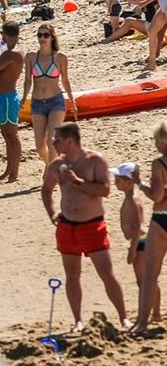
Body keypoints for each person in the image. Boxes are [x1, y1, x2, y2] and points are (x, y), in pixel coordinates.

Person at [40, 123, 128, 331]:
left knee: (106, 273)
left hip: (92, 224)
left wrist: (77, 181)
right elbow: (46, 191)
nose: (53, 143)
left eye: (57, 139)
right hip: (67, 226)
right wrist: (52, 213)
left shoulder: (94, 160)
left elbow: (105, 190)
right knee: (72, 275)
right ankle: (78, 320)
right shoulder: (55, 165)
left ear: (70, 140)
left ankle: (123, 317)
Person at [112, 161, 160, 333]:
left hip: (140, 242)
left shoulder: (133, 200)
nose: (115, 181)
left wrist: (132, 249)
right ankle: (155, 313)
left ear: (130, 181)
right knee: (146, 279)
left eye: (119, 179)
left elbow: (139, 228)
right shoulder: (130, 197)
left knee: (145, 280)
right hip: (140, 242)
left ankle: (152, 314)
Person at [130, 122, 167, 333]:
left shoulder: (159, 164)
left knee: (151, 274)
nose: (155, 144)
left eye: (156, 140)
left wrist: (140, 182)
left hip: (162, 217)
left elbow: (157, 195)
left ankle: (143, 322)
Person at [22, 23, 75, 164]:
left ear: (52, 37)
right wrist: (23, 97)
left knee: (52, 143)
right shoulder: (31, 57)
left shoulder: (60, 57)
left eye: (45, 35)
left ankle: (51, 175)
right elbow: (27, 80)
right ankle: (49, 165)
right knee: (39, 147)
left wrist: (72, 100)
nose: (42, 38)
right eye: (39, 35)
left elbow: (65, 80)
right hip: (37, 102)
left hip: (55, 102)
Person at [0, 22, 25, 183]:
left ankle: (14, 173)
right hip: (4, 96)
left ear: (5, 35)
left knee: (12, 135)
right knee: (7, 135)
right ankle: (9, 171)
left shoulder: (11, 54)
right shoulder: (13, 52)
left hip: (8, 97)